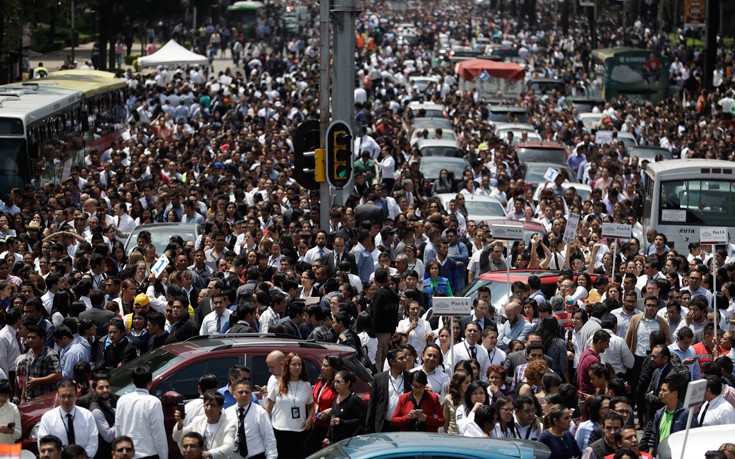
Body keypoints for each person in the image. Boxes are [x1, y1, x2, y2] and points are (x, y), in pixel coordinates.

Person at [265, 352, 314, 458]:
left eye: (299, 364)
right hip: (279, 430)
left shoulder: (306, 385)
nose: (297, 367)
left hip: (299, 431)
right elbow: (268, 407)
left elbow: (311, 406)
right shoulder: (277, 382)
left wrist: (310, 419)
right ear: (287, 365)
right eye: (294, 364)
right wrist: (267, 429)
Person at [114, 365, 168, 459]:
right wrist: (164, 456)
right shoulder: (153, 402)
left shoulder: (122, 400)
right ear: (150, 383)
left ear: (133, 381)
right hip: (148, 455)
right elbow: (159, 434)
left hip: (126, 454)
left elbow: (118, 429)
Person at [37, 380, 98, 457]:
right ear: (58, 397)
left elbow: (93, 441)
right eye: (63, 396)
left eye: (69, 396)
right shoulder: (48, 418)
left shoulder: (87, 415)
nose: (66, 400)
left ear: (76, 396)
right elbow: (43, 443)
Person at [172, 390, 236, 459]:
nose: (209, 408)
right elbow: (177, 437)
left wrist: (210, 453)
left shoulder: (229, 426)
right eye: (206, 405)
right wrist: (180, 423)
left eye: (212, 405)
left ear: (220, 407)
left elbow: (229, 447)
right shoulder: (197, 421)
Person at [643, 375, 697, 456]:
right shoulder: (659, 413)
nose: (660, 393)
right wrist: (650, 455)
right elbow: (653, 438)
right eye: (660, 390)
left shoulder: (686, 414)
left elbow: (693, 439)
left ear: (675, 393)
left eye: (664, 390)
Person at [224, 378, 277, 459]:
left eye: (247, 392)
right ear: (234, 394)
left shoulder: (260, 412)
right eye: (241, 392)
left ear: (251, 394)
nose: (244, 395)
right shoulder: (227, 413)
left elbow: (269, 439)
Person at [365, 348, 411, 433]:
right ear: (392, 361)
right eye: (401, 358)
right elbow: (372, 404)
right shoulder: (379, 378)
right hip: (383, 425)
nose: (405, 360)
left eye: (405, 357)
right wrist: (368, 428)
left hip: (403, 425)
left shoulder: (410, 377)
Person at [304, 355, 341, 455]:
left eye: (326, 366)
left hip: (327, 428)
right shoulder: (321, 381)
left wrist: (331, 410)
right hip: (315, 423)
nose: (322, 368)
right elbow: (314, 398)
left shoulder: (338, 385)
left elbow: (344, 403)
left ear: (334, 369)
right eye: (322, 365)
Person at [17, 324, 62, 402]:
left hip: (45, 400)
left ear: (42, 339)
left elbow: (58, 375)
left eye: (34, 337)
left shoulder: (50, 355)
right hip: (30, 400)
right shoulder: (29, 353)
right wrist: (22, 398)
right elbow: (26, 376)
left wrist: (38, 381)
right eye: (29, 337)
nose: (30, 340)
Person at [324, 370, 366, 445]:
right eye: (334, 382)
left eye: (338, 382)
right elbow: (332, 420)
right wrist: (327, 437)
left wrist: (342, 422)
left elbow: (361, 420)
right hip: (335, 442)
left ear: (347, 383)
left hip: (349, 443)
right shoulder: (337, 397)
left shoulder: (354, 400)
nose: (335, 384)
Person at [443, 369, 471, 435]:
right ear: (458, 384)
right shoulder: (448, 398)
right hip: (452, 436)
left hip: (468, 437)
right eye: (466, 382)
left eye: (470, 382)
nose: (469, 385)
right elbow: (446, 420)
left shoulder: (472, 398)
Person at [0, 379, 21, 444]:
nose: (3, 398)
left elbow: (19, 434)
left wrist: (11, 431)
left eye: (5, 396)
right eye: (0, 395)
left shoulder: (13, 408)